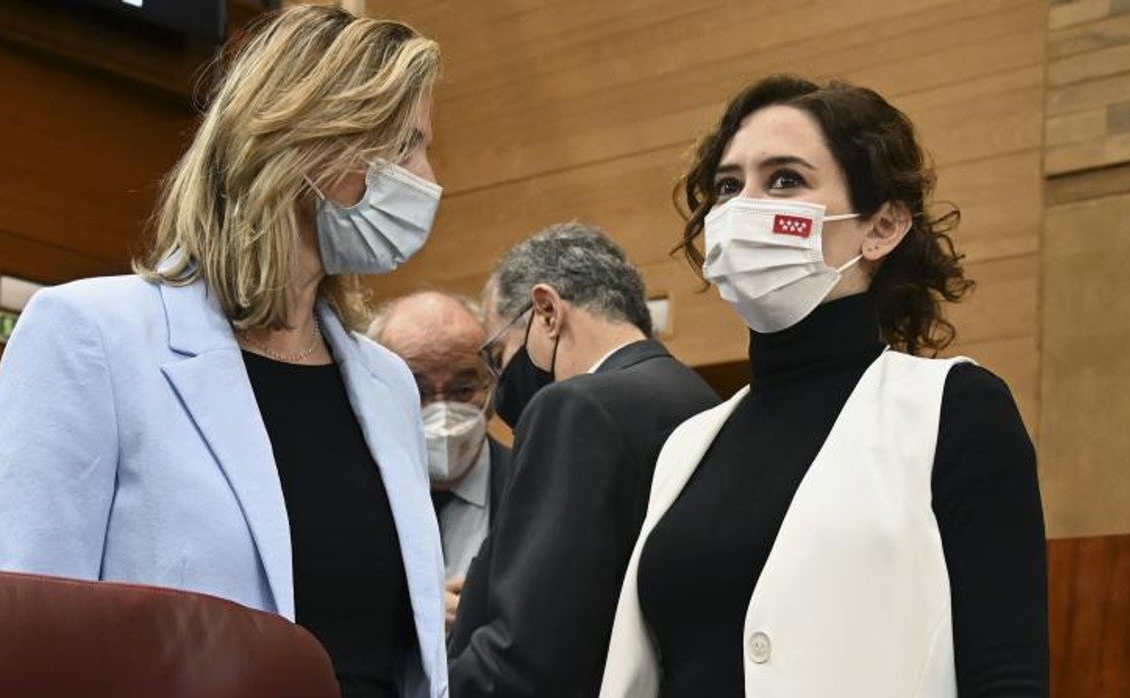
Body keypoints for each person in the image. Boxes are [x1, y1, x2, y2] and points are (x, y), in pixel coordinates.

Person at [0, 7, 447, 697]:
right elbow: (26, 647)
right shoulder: (90, 336)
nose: (430, 178)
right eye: (406, 146)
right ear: (308, 138)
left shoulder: (388, 384)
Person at [599, 75, 1049, 697]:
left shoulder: (951, 409)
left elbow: (1007, 674)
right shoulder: (687, 446)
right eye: (729, 186)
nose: (741, 207)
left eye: (785, 178)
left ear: (883, 226)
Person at [446, 223, 720, 697]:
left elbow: (527, 655)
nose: (500, 378)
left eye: (499, 353)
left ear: (547, 312)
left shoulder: (575, 407)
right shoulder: (701, 400)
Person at [369, 291, 514, 633]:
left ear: (492, 384)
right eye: (416, 391)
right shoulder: (345, 489)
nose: (442, 410)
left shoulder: (534, 489)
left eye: (463, 389)